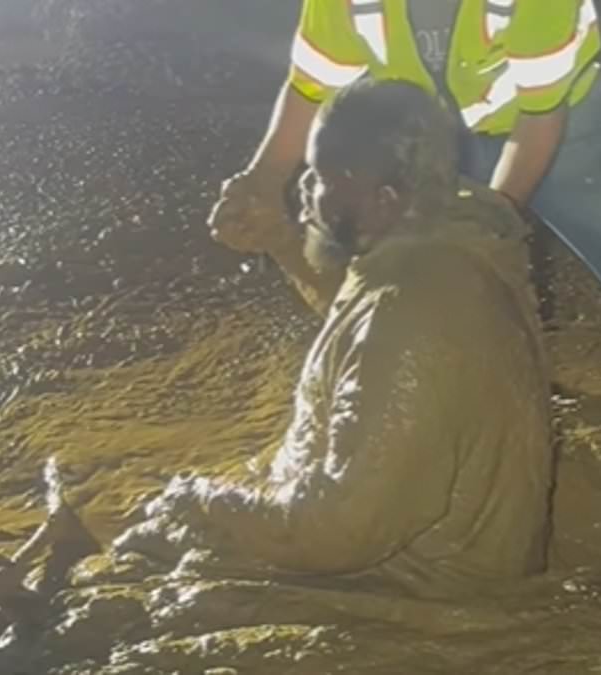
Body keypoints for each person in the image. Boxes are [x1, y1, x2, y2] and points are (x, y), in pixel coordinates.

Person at [120, 79, 553, 596]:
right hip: (438, 556)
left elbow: (341, 534)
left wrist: (206, 504)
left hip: (414, 588)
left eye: (322, 179)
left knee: (135, 578)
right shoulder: (448, 249)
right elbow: (359, 318)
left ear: (384, 200)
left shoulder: (410, 320)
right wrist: (282, 240)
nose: (306, 191)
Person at [208, 0, 601, 365]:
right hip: (429, 129)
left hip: (556, 118)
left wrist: (488, 220)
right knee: (384, 242)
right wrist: (264, 179)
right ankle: (429, 368)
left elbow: (540, 118)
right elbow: (310, 85)